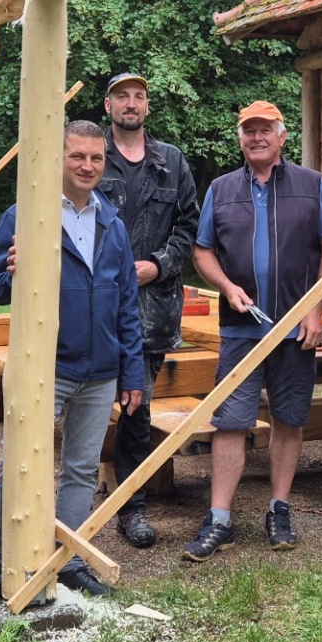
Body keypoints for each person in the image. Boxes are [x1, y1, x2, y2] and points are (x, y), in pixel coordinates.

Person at [0, 120, 146, 599]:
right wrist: (12, 273)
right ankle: (10, 559)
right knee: (20, 464)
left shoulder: (111, 222)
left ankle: (67, 561)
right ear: (58, 159)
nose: (88, 166)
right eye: (78, 157)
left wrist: (132, 370)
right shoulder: (25, 214)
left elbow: (126, 303)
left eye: (96, 158)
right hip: (45, 367)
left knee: (82, 470)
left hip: (101, 372)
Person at [184, 101, 322, 562]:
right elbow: (203, 252)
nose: (256, 137)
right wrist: (227, 286)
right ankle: (219, 520)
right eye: (248, 130)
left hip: (295, 330)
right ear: (240, 138)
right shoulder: (221, 188)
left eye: (264, 130)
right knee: (229, 422)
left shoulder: (311, 185)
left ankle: (279, 509)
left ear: (281, 136)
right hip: (240, 330)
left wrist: (315, 309)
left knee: (289, 418)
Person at [96, 72, 200, 549]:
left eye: (138, 97)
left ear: (147, 107)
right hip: (95, 304)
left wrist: (158, 266)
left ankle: (131, 507)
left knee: (137, 411)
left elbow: (189, 226)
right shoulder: (90, 156)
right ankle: (76, 498)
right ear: (109, 105)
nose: (131, 104)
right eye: (122, 96)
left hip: (153, 308)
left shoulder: (171, 162)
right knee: (87, 404)